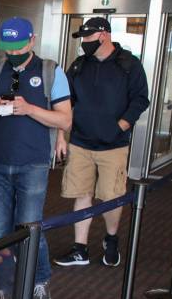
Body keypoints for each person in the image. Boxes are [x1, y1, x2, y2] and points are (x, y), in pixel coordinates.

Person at [0, 17, 72, 299]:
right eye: (8, 48)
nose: (13, 53)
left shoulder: (51, 71)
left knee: (29, 226)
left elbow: (65, 119)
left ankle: (39, 280)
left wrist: (28, 109)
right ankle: (4, 286)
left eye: (19, 47)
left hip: (33, 162)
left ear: (32, 40)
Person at [53, 17, 149, 269]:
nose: (84, 43)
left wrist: (120, 126)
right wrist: (61, 135)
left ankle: (111, 238)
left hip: (113, 145)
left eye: (88, 38)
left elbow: (140, 99)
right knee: (81, 194)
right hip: (81, 142)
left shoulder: (129, 64)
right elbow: (65, 103)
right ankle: (80, 248)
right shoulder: (78, 66)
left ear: (103, 35)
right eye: (82, 39)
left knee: (110, 197)